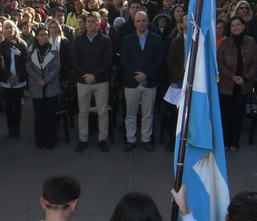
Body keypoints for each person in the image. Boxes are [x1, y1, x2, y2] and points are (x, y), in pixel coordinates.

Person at [120, 10, 164, 152]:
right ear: (134, 22)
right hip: (131, 82)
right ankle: (131, 139)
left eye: (143, 20)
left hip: (149, 82)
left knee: (148, 114)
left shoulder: (156, 39)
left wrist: (146, 75)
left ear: (147, 22)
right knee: (131, 113)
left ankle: (146, 139)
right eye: (138, 21)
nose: (141, 23)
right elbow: (124, 60)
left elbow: (159, 60)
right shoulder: (127, 39)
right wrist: (136, 75)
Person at [217, 16, 257, 152]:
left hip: (243, 86)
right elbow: (220, 63)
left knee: (238, 115)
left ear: (243, 26)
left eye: (238, 24)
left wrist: (245, 78)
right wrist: (232, 76)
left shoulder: (251, 42)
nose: (236, 27)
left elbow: (255, 63)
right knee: (225, 115)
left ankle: (235, 142)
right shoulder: (224, 43)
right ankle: (225, 142)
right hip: (226, 85)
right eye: (233, 25)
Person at [72, 12, 113, 153]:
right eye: (88, 21)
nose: (90, 23)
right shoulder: (78, 40)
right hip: (83, 82)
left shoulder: (105, 40)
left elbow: (107, 61)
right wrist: (85, 75)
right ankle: (83, 139)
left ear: (98, 23)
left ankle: (103, 139)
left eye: (92, 21)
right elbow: (75, 61)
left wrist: (94, 75)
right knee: (83, 112)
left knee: (102, 112)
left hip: (100, 81)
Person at [26, 25, 63, 150]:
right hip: (37, 88)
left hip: (51, 87)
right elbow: (28, 67)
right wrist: (38, 80)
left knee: (51, 115)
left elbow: (57, 68)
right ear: (37, 37)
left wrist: (46, 80)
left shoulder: (54, 50)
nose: (45, 36)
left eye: (46, 34)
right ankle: (40, 139)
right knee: (39, 116)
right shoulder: (31, 50)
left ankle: (51, 140)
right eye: (42, 35)